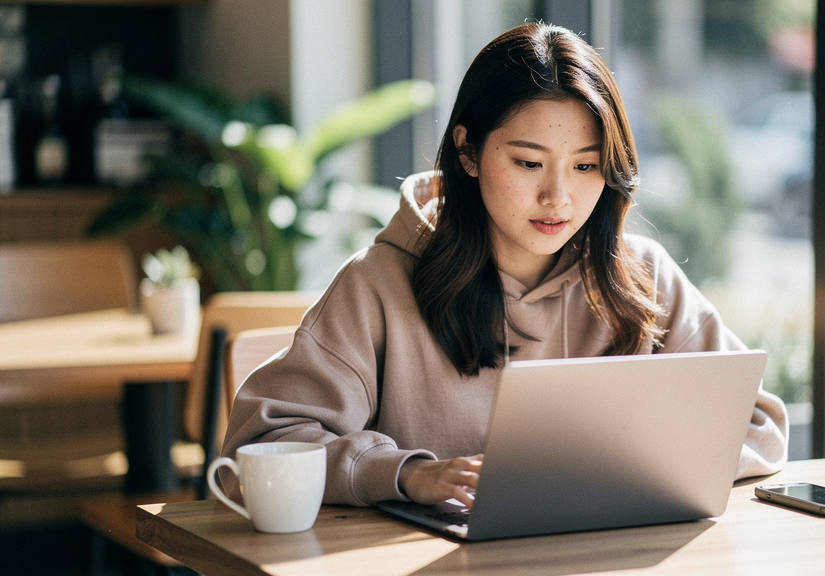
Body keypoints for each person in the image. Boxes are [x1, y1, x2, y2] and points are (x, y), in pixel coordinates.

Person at [221, 22, 788, 508]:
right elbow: (263, 444)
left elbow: (756, 422)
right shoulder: (379, 286)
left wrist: (622, 474)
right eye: (527, 162)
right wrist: (404, 474)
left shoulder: (641, 278)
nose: (558, 199)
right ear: (467, 151)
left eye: (587, 168)